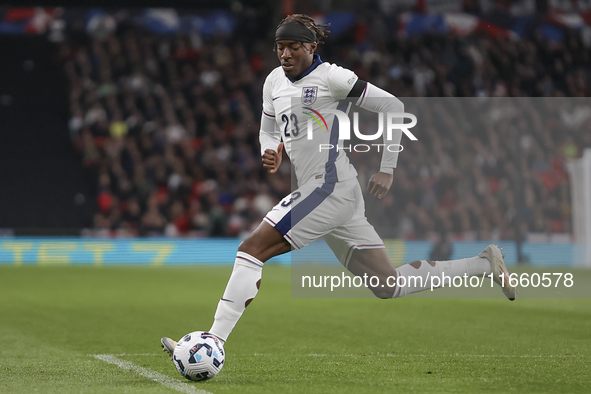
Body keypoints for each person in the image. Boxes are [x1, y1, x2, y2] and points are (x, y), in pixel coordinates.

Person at [161, 13, 515, 361]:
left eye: (292, 47)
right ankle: (484, 264)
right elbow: (268, 128)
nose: (284, 54)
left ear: (311, 47)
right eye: (279, 47)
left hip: (328, 188)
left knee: (252, 249)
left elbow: (393, 106)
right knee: (387, 285)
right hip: (331, 193)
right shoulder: (273, 82)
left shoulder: (333, 77)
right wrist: (269, 150)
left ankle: (212, 342)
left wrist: (387, 168)